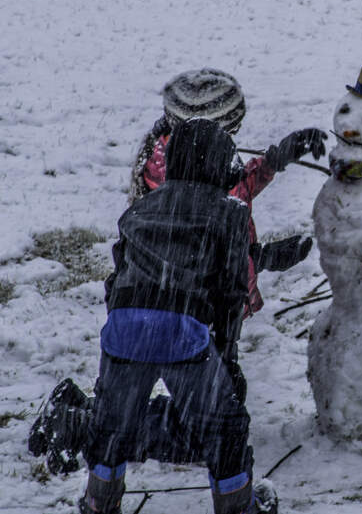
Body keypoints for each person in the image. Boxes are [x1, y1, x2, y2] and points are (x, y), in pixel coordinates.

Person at [79, 118, 276, 514]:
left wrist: (124, 330)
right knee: (224, 425)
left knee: (112, 423)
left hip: (123, 327)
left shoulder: (140, 209)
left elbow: (117, 279)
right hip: (181, 329)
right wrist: (227, 357)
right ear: (220, 163)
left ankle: (100, 502)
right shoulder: (229, 211)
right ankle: (239, 507)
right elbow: (230, 293)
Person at [129, 67, 327, 317]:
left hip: (201, 313)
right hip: (193, 317)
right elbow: (200, 260)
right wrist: (263, 257)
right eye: (231, 130)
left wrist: (274, 161)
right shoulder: (171, 175)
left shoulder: (190, 156)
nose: (234, 136)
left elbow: (234, 190)